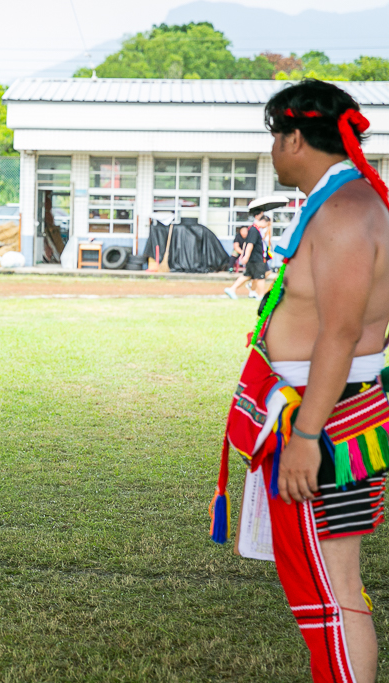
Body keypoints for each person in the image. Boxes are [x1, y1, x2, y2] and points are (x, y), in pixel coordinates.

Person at [211, 79, 389, 683]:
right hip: (326, 409)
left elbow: (340, 332)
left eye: (273, 137)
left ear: (292, 137)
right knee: (331, 586)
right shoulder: (349, 202)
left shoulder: (345, 211)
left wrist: (308, 436)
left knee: (329, 591)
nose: (271, 151)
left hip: (326, 421)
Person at [223, 221, 267, 300]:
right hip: (254, 257)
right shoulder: (253, 230)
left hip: (251, 256)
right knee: (260, 276)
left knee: (247, 275)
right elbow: (248, 244)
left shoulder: (253, 231)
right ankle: (261, 295)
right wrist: (245, 255)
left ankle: (232, 289)